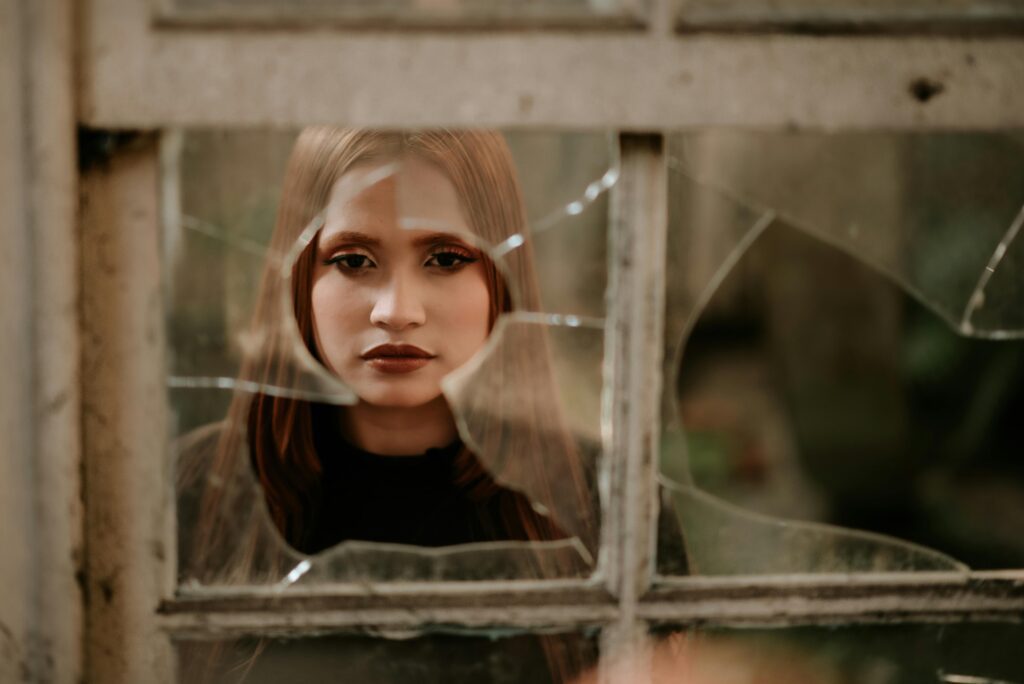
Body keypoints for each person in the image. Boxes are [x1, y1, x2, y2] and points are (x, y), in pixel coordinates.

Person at [175, 128, 598, 681]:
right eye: (353, 260)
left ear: (501, 276)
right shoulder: (192, 492)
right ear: (299, 276)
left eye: (445, 258)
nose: (397, 312)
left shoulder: (600, 498)